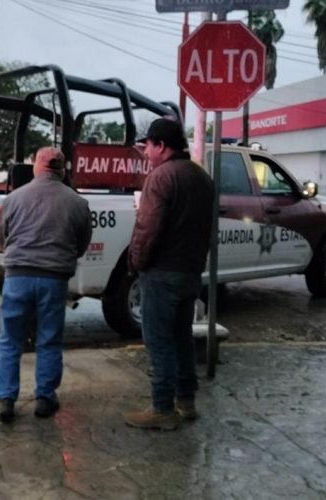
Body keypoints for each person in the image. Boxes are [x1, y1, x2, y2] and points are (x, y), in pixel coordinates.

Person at [123, 118, 215, 431]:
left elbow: (148, 227)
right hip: (190, 272)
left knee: (159, 340)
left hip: (162, 273)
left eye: (148, 145)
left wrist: (136, 261)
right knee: (181, 337)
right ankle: (185, 401)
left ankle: (161, 408)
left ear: (161, 146)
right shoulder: (202, 178)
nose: (146, 152)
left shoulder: (161, 177)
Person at [0, 147, 92, 423]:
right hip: (54, 279)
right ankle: (45, 397)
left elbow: (0, 236)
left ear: (36, 166)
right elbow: (81, 243)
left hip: (17, 277)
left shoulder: (13, 198)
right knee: (49, 338)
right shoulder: (77, 203)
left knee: (10, 339)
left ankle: (6, 399)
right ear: (61, 170)